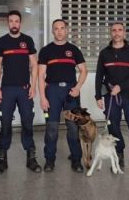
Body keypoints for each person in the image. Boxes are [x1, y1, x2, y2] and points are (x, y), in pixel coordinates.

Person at [94, 22, 129, 173]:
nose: (117, 33)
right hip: (110, 96)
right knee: (113, 126)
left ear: (124, 33)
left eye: (120, 30)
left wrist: (121, 86)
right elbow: (99, 75)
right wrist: (98, 96)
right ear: (110, 33)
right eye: (114, 30)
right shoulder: (104, 53)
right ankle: (118, 155)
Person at [0, 10, 42, 174]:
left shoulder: (27, 40)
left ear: (20, 23)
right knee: (5, 123)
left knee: (27, 122)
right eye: (11, 21)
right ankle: (2, 160)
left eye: (17, 21)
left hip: (24, 89)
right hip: (6, 89)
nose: (14, 24)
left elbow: (34, 64)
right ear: (8, 23)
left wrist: (33, 85)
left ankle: (31, 158)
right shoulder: (2, 42)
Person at [38, 19, 87, 173]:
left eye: (62, 28)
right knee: (51, 129)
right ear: (53, 31)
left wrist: (78, 87)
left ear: (66, 30)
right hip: (52, 91)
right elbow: (40, 76)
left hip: (70, 92)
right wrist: (43, 97)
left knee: (73, 128)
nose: (59, 31)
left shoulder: (74, 50)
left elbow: (83, 70)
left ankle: (76, 160)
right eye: (56, 29)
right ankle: (50, 160)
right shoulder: (46, 51)